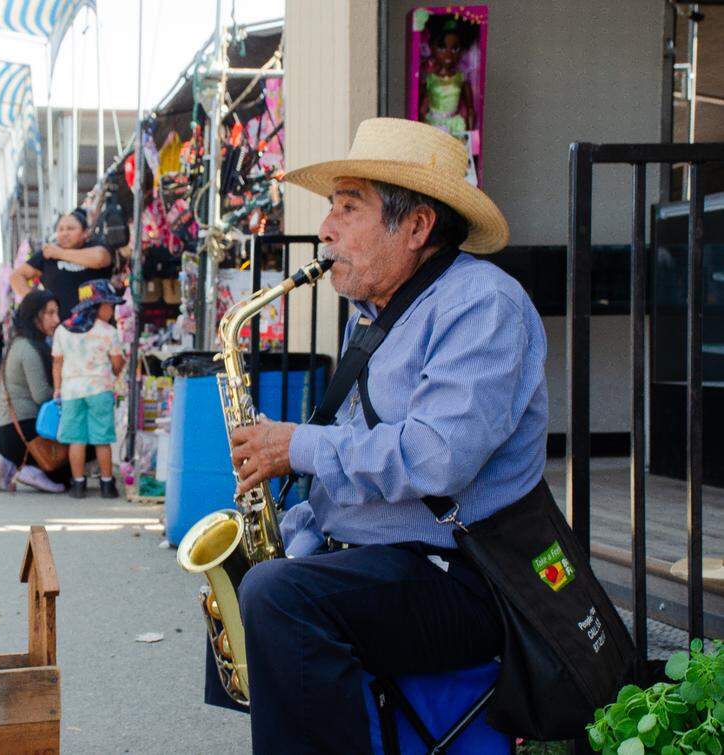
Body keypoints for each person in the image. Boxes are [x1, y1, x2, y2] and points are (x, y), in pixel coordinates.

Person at [224, 118, 542, 754]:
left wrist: (295, 447)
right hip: (389, 560)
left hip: (467, 577)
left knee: (279, 598)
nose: (327, 228)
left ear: (418, 226)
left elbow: (435, 459)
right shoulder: (371, 313)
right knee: (251, 581)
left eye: (349, 207)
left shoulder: (483, 305)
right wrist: (299, 533)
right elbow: (355, 457)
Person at [51, 279, 125, 499]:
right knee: (102, 439)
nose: (111, 310)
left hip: (71, 391)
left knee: (77, 439)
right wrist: (115, 368)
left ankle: (78, 484)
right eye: (109, 305)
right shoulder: (109, 332)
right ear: (97, 305)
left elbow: (57, 362)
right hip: (99, 390)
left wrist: (57, 389)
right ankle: (107, 485)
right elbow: (117, 363)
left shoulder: (62, 330)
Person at [0, 290, 67, 494]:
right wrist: (66, 390)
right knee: (65, 473)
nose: (57, 319)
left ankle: (12, 463)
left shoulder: (22, 343)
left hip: (12, 430)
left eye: (57, 313)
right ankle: (26, 468)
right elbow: (42, 395)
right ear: (34, 316)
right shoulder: (28, 349)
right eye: (50, 313)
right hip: (21, 433)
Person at [9, 208, 114, 318]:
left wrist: (60, 253)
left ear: (85, 233)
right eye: (60, 229)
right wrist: (38, 304)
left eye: (71, 228)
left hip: (97, 326)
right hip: (59, 327)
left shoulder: (95, 246)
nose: (65, 233)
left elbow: (101, 259)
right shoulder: (46, 255)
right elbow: (16, 276)